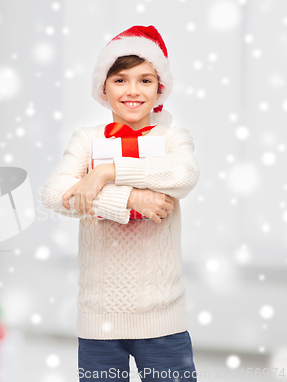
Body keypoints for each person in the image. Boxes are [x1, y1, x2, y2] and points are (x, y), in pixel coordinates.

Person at [41, 25, 200, 381]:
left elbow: (184, 175)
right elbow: (55, 194)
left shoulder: (173, 138)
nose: (132, 91)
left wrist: (105, 172)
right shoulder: (86, 140)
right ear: (103, 87)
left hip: (162, 318)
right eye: (120, 80)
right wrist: (129, 198)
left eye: (145, 80)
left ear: (160, 88)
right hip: (99, 319)